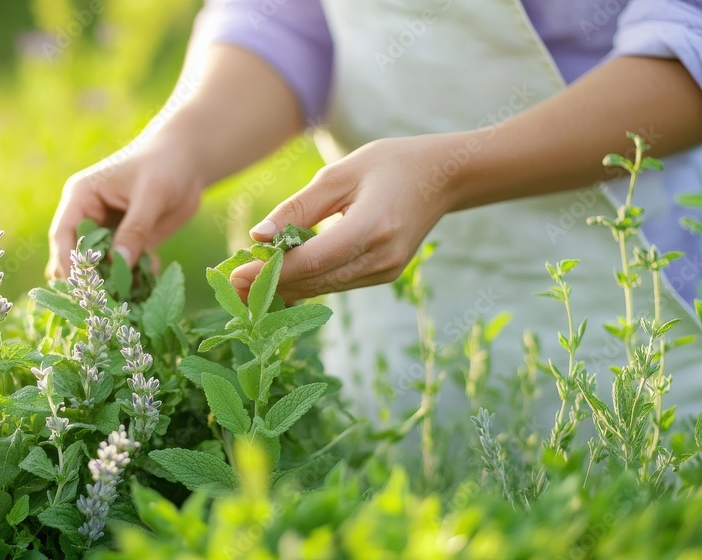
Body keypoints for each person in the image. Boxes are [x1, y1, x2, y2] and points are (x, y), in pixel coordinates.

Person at [47, 0, 702, 431]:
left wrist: (450, 172)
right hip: (394, 330)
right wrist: (178, 147)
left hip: (646, 293)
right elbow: (285, 21)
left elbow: (687, 38)